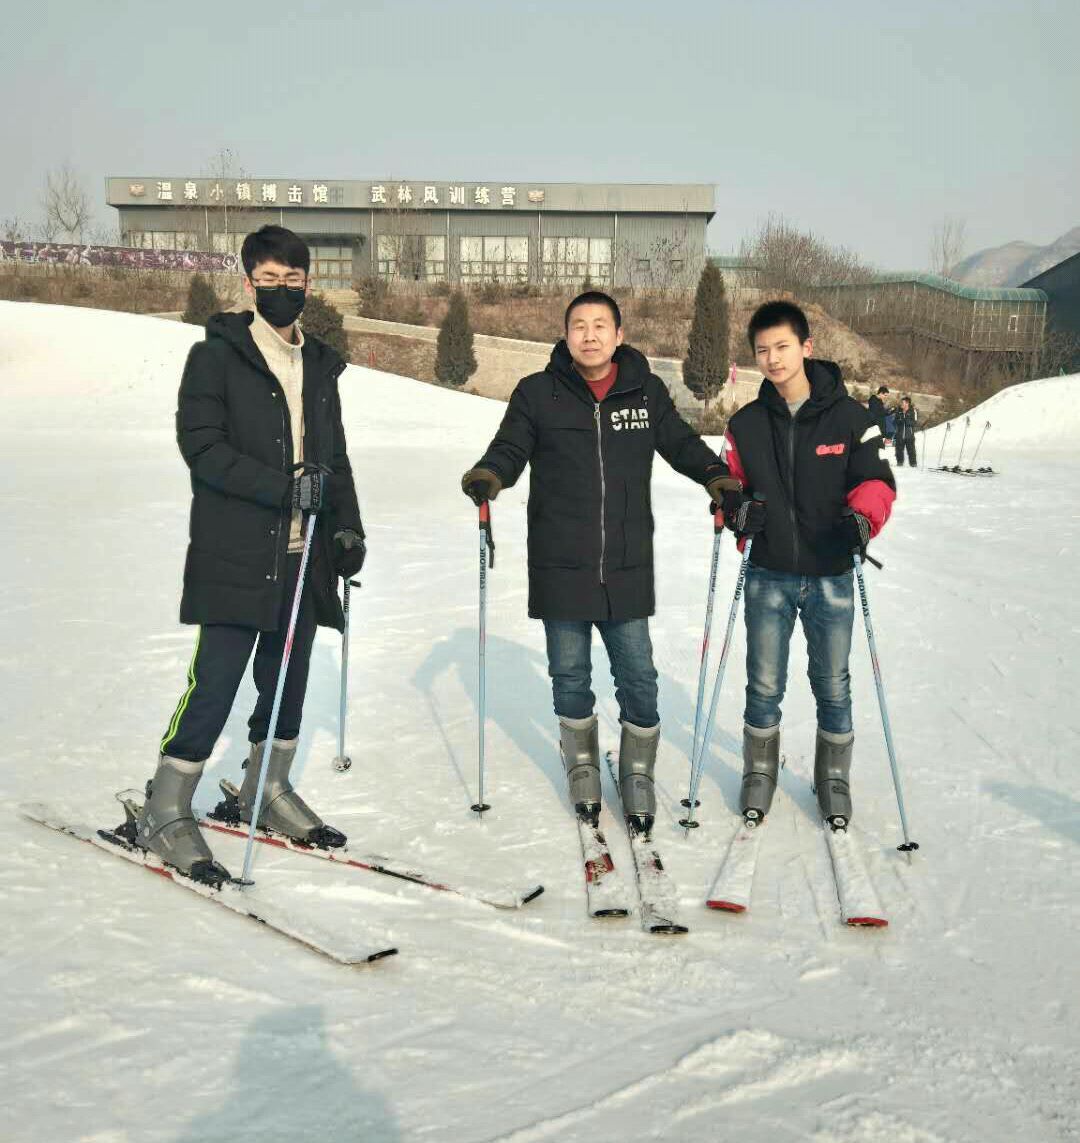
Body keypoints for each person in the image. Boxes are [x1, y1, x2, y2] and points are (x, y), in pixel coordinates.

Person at [132, 225, 367, 885]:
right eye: (270, 281)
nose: (283, 291)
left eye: (294, 281)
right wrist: (283, 487)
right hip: (236, 548)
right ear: (248, 284)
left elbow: (335, 456)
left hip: (302, 555)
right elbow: (202, 447)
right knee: (215, 681)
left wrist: (347, 527)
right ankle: (166, 802)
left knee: (288, 679)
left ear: (308, 284)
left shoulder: (319, 364)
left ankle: (263, 787)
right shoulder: (215, 357)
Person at [460, 291, 737, 830]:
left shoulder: (644, 392)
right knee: (570, 672)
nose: (589, 335)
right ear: (565, 336)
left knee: (638, 675)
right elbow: (510, 446)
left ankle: (637, 768)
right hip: (559, 558)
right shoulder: (538, 393)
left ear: (619, 335)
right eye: (579, 326)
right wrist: (490, 474)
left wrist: (717, 477)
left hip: (627, 560)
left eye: (600, 325)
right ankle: (581, 761)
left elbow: (681, 444)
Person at [718, 301, 895, 828]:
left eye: (782, 347)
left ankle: (833, 777)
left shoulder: (851, 418)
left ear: (806, 348)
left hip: (831, 573)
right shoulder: (746, 424)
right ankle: (759, 772)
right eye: (763, 350)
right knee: (764, 682)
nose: (772, 358)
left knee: (832, 681)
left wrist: (862, 520)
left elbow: (877, 482)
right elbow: (729, 486)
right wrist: (737, 511)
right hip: (769, 571)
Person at [893, 396, 919, 466]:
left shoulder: (913, 411)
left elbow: (915, 422)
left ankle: (913, 464)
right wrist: (900, 421)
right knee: (898, 450)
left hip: (909, 435)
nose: (901, 404)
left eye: (903, 402)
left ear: (907, 403)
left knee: (911, 450)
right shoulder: (898, 411)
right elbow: (895, 421)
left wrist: (906, 420)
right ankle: (899, 463)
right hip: (900, 434)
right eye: (901, 402)